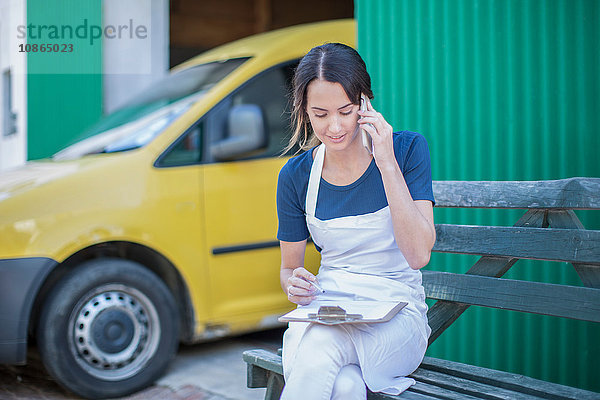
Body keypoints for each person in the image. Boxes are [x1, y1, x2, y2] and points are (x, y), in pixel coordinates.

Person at [276, 42, 436, 399]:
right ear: (303, 110)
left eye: (345, 111)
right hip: (329, 310)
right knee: (346, 385)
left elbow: (418, 255)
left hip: (397, 320)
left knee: (319, 349)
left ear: (365, 101)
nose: (334, 127)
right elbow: (289, 271)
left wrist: (386, 161)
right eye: (320, 114)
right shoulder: (296, 176)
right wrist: (294, 285)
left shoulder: (407, 150)